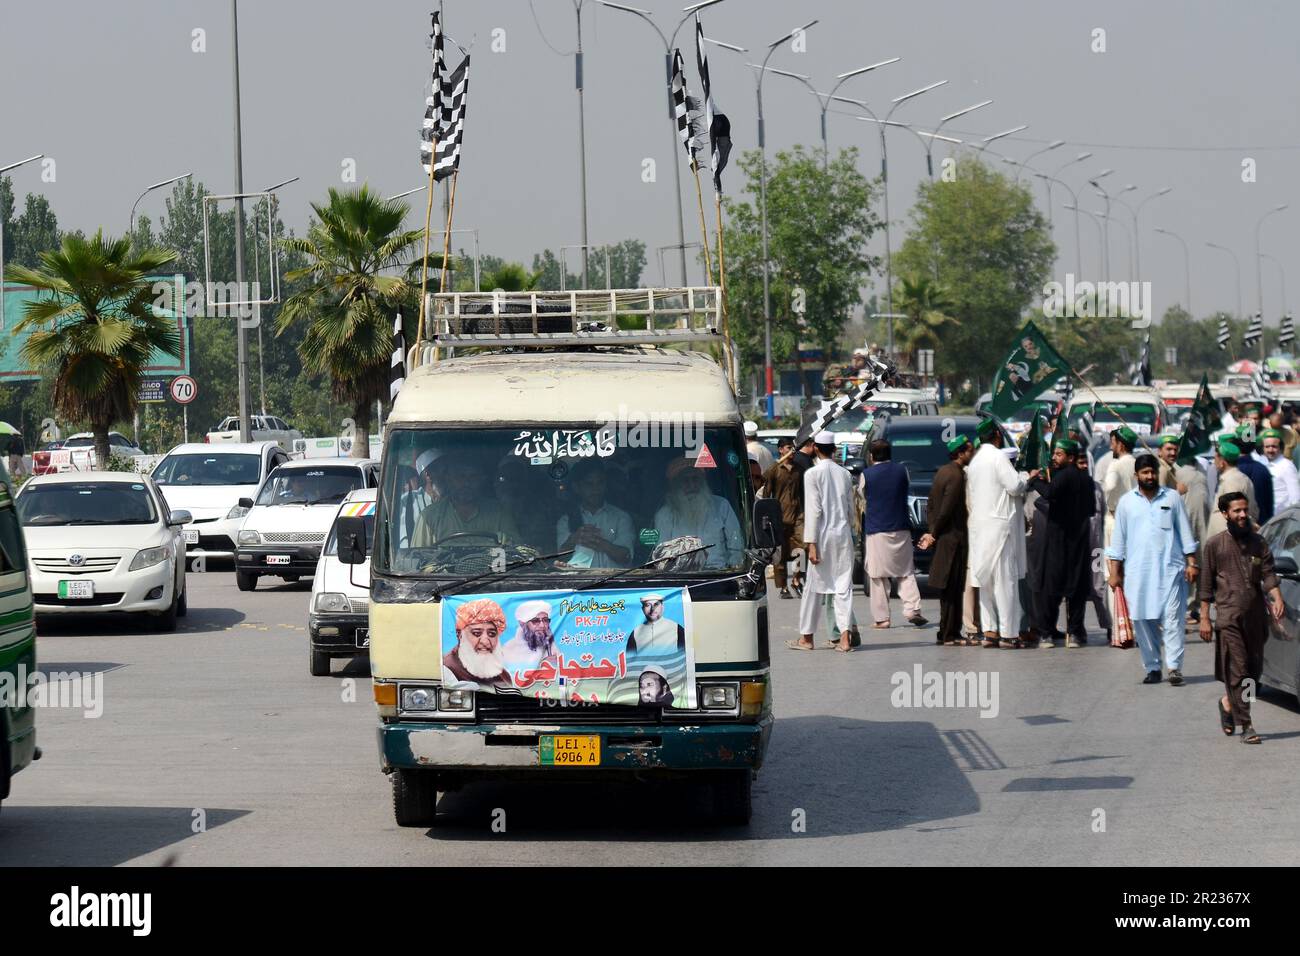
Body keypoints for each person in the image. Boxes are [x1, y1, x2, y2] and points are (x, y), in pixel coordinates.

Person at [1198, 491, 1284, 744]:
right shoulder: (1215, 545)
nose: (1243, 515)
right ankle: (1246, 723)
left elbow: (1268, 573)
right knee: (1240, 669)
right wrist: (1204, 617)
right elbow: (1205, 584)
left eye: (1245, 510)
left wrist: (1277, 595)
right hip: (1228, 618)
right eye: (1237, 511)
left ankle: (1228, 703)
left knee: (1253, 673)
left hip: (1255, 618)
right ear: (1225, 514)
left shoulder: (1259, 543)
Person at [1106, 454, 1198, 685]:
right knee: (1142, 620)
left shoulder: (1173, 497)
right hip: (1139, 573)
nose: (1150, 476)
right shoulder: (1126, 503)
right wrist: (1115, 572)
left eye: (1153, 472)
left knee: (1173, 620)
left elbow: (1185, 533)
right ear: (1136, 475)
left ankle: (1174, 668)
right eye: (1145, 472)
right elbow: (1118, 542)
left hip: (1171, 570)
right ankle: (1153, 666)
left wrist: (1192, 562)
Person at [788, 431, 856, 652]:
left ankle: (807, 638)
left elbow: (814, 510)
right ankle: (845, 639)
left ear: (815, 448)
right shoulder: (844, 474)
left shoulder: (812, 474)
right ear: (834, 449)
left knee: (812, 589)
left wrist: (811, 544)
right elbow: (850, 509)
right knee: (843, 588)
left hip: (822, 536)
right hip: (843, 534)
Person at [966, 418, 1031, 648]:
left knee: (984, 582)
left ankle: (990, 631)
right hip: (1000, 527)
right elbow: (1014, 486)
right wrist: (1026, 478)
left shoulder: (975, 462)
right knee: (1005, 582)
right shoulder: (998, 457)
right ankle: (1009, 634)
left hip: (979, 528)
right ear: (996, 435)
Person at [1027, 438, 1097, 648]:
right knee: (1076, 588)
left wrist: (1034, 480)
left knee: (1052, 587)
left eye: (1059, 454)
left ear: (1071, 457)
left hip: (1059, 540)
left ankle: (1047, 633)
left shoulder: (1065, 476)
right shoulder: (1086, 479)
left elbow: (1049, 493)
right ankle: (1075, 633)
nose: (1055, 458)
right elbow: (1090, 509)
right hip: (1079, 540)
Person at [860, 439, 926, 629]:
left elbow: (864, 496)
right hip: (901, 528)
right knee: (905, 571)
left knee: (877, 575)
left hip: (877, 530)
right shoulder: (902, 471)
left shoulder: (867, 474)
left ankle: (882, 618)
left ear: (871, 456)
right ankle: (913, 609)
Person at [919, 435, 974, 645]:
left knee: (948, 588)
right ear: (960, 453)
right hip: (953, 539)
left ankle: (947, 632)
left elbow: (931, 504)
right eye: (969, 450)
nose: (972, 454)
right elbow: (946, 509)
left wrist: (932, 530)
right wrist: (935, 533)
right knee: (952, 587)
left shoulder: (943, 471)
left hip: (944, 537)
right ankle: (950, 634)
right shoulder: (956, 475)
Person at [653, 458, 744, 569]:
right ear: (676, 484)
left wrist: (734, 567)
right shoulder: (665, 514)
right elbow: (662, 556)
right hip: (681, 576)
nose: (691, 485)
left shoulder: (721, 506)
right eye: (685, 480)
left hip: (720, 574)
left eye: (695, 479)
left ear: (702, 481)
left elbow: (736, 546)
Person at [411, 455, 520, 547]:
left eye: (473, 477)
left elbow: (516, 555)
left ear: (482, 480)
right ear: (449, 479)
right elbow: (416, 561)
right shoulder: (429, 517)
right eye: (460, 477)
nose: (467, 483)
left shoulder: (499, 514)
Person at [556, 461, 634, 569]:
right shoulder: (566, 521)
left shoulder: (621, 517)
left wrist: (600, 543)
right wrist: (573, 539)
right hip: (579, 584)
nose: (596, 489)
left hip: (615, 584)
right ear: (576, 487)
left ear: (606, 484)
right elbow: (560, 559)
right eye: (589, 484)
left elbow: (626, 557)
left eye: (600, 483)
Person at [1076, 451, 1113, 640]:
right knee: (1077, 589)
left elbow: (1105, 516)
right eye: (1079, 462)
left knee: (1099, 586)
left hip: (1096, 548)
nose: (1083, 466)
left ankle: (1108, 625)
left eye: (1085, 463)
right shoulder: (1072, 487)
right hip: (1077, 548)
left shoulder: (1098, 488)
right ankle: (1076, 628)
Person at [762, 436, 805, 599]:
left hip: (797, 516)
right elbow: (766, 491)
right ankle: (783, 587)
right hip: (778, 517)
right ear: (781, 450)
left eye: (793, 448)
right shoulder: (775, 469)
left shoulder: (799, 470)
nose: (791, 451)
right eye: (788, 448)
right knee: (780, 555)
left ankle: (796, 580)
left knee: (801, 549)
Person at [442, 598, 514, 688]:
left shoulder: (503, 675)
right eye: (476, 633)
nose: (485, 641)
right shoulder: (446, 671)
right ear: (460, 634)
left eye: (491, 634)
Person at [1206, 440, 1257, 538]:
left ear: (1222, 462)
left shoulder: (1232, 482)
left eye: (1216, 457)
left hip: (1228, 540)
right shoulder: (1236, 478)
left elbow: (1234, 514)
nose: (1214, 461)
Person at [1232, 424, 1274, 524]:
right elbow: (1269, 504)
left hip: (1236, 527)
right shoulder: (1263, 469)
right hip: (1261, 526)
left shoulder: (1230, 471)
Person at [500, 600, 556, 671]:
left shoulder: (551, 646)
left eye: (545, 620)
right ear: (522, 624)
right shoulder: (507, 650)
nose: (542, 625)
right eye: (535, 621)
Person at [1254, 427, 1300, 512]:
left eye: (1274, 446)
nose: (1270, 450)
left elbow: (1295, 497)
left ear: (1281, 448)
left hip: (1281, 517)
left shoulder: (1287, 466)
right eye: (1267, 447)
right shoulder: (1260, 463)